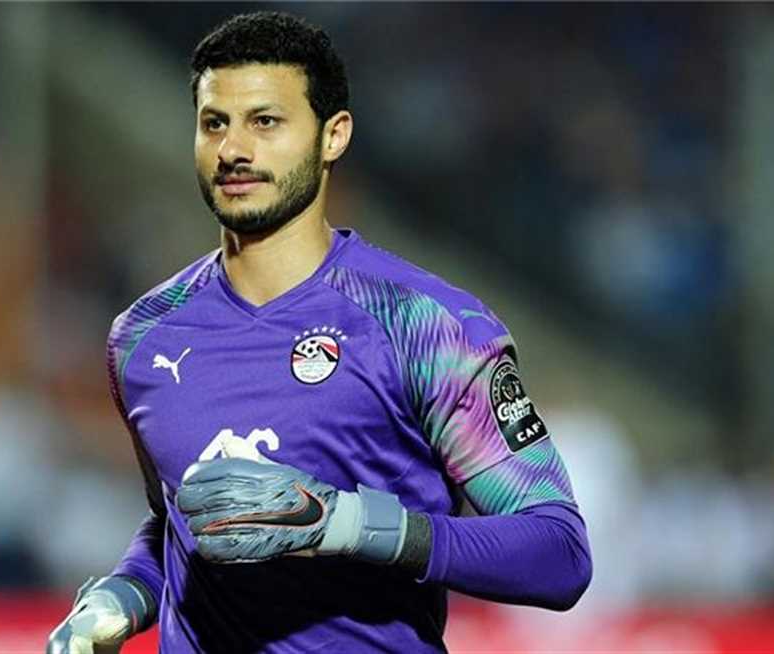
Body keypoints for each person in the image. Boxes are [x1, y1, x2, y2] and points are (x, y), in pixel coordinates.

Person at [48, 10, 592, 654]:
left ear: (333, 136)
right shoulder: (144, 337)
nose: (233, 150)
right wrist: (122, 596)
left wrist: (348, 523)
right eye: (214, 123)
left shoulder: (425, 326)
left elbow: (558, 553)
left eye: (265, 122)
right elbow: (181, 522)